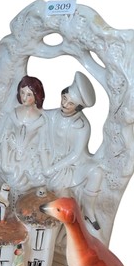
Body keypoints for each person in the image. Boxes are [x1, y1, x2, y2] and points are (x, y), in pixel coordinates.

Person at [46, 72, 104, 236]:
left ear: (78, 107)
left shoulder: (82, 125)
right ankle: (62, 231)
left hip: (76, 164)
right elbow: (38, 116)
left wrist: (54, 168)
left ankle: (89, 211)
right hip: (56, 161)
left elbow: (76, 155)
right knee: (63, 198)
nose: (64, 104)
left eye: (70, 103)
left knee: (97, 173)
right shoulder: (52, 115)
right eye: (64, 98)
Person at [0, 76, 49, 194]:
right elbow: (5, 137)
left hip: (30, 158)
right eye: (22, 93)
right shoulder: (14, 113)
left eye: (29, 94)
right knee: (11, 179)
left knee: (25, 184)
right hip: (11, 155)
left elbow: (43, 146)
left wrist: (46, 168)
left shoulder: (41, 119)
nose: (24, 97)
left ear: (36, 96)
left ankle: (24, 201)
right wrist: (4, 161)